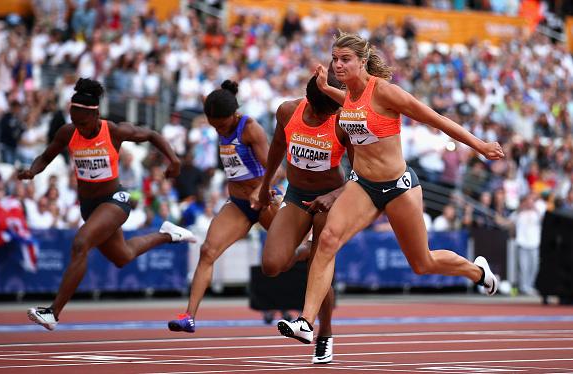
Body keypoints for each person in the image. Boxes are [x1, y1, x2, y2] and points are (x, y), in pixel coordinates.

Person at [277, 32, 505, 344]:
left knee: (422, 263)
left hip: (399, 187)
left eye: (345, 60)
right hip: (363, 187)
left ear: (362, 61)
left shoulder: (385, 92)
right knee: (327, 239)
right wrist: (326, 87)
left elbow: (435, 119)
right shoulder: (348, 96)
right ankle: (305, 321)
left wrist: (480, 145)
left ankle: (477, 272)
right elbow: (352, 106)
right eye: (335, 59)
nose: (338, 65)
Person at [19, 78, 196, 331]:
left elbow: (152, 135)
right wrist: (31, 171)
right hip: (89, 206)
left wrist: (174, 161)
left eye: (82, 122)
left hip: (115, 200)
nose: (78, 127)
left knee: (81, 244)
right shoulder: (68, 133)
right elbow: (46, 156)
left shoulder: (113, 131)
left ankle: (53, 312)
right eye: (74, 121)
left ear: (96, 115)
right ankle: (168, 235)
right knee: (122, 256)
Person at [168, 80, 281, 333]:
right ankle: (189, 316)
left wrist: (258, 190)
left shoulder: (250, 128)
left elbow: (277, 169)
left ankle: (310, 305)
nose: (218, 128)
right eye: (213, 123)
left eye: (221, 124)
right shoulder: (218, 123)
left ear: (234, 114)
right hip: (239, 204)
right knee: (207, 251)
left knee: (286, 255)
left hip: (264, 200)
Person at [257, 73, 353, 364]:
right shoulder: (288, 111)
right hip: (297, 196)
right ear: (313, 102)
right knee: (272, 265)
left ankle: (325, 334)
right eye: (331, 108)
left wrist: (334, 196)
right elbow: (275, 148)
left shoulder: (343, 122)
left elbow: (360, 174)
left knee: (318, 272)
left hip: (329, 200)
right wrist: (264, 187)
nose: (336, 111)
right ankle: (306, 252)